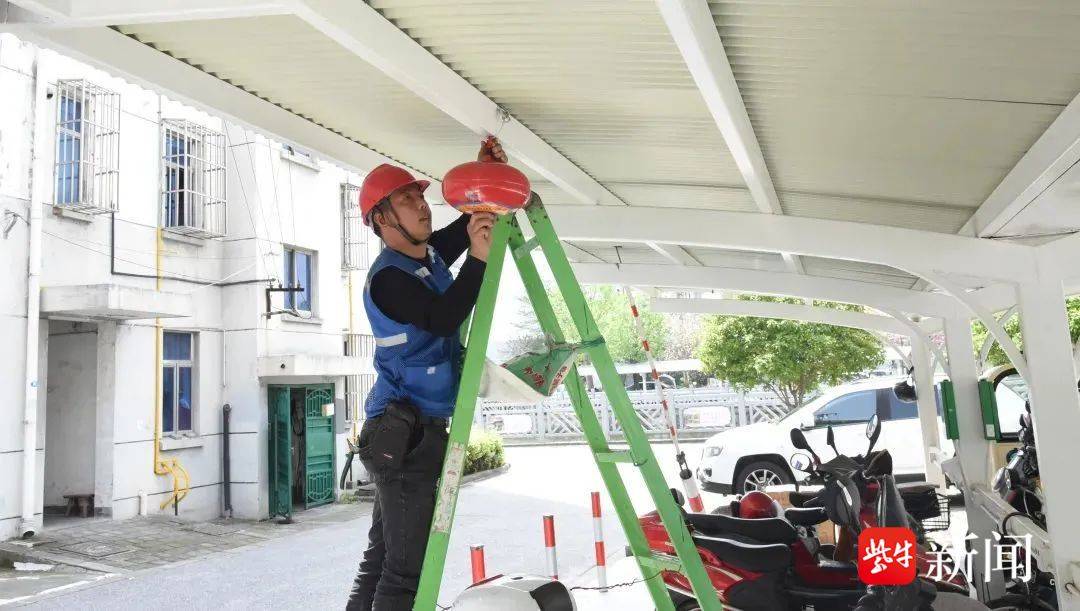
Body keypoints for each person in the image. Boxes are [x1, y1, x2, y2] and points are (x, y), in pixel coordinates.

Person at [346, 138, 506, 611]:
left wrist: (484, 178)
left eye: (420, 196)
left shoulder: (427, 255)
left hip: (405, 432)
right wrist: (478, 259)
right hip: (403, 436)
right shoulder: (389, 279)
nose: (422, 205)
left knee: (381, 561)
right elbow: (442, 317)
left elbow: (468, 225)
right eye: (407, 199)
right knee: (404, 575)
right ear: (381, 218)